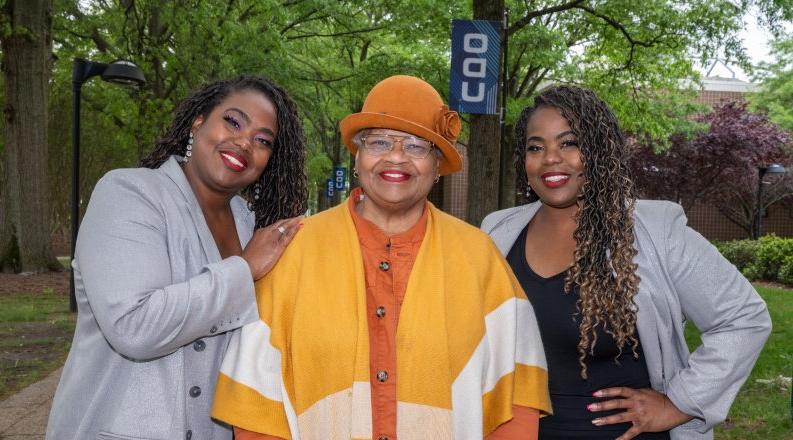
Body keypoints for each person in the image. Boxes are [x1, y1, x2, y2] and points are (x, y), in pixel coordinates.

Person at [212, 75, 552, 440]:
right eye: (379, 142)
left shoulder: (480, 259)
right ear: (357, 158)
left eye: (417, 146)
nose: (396, 156)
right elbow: (256, 403)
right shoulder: (295, 251)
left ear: (437, 167)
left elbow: (516, 397)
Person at [481, 85, 772, 440]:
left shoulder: (655, 230)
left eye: (569, 143)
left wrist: (679, 402)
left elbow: (743, 317)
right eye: (536, 147)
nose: (550, 158)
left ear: (599, 152)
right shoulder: (499, 231)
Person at [46, 75, 308, 440]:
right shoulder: (129, 193)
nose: (245, 142)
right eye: (233, 121)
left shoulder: (254, 229)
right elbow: (134, 326)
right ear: (198, 121)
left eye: (263, 141)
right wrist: (244, 269)